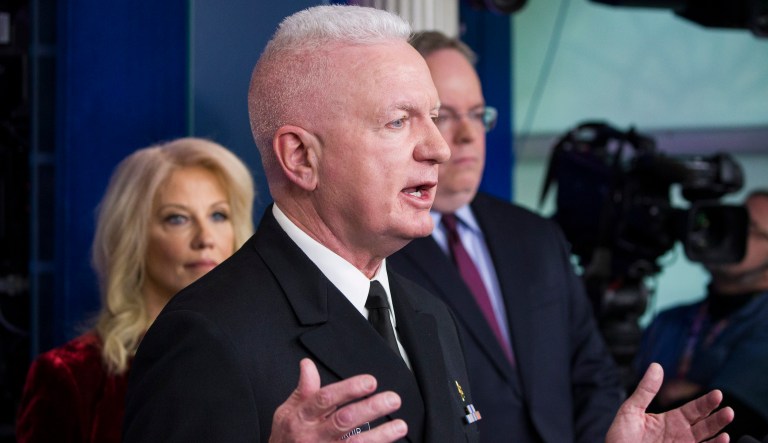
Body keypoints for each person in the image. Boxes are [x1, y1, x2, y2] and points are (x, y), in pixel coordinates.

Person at [124, 5, 733, 443]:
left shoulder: (425, 315)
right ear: (301, 158)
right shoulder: (206, 336)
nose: (441, 148)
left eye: (435, 118)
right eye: (398, 122)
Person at [387, 30, 624, 443]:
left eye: (477, 114)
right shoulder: (380, 252)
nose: (467, 135)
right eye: (444, 115)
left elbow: (593, 373)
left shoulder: (536, 234)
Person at [15, 137, 255, 443]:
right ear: (134, 237)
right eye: (177, 218)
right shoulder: (69, 375)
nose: (206, 238)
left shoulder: (267, 354)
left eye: (219, 215)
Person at [635, 189, 768, 440]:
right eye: (732, 221)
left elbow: (734, 417)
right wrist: (695, 394)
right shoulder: (670, 319)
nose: (731, 233)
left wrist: (667, 401)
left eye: (748, 228)